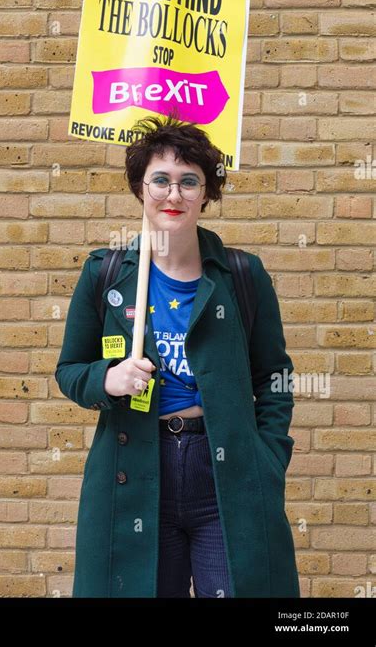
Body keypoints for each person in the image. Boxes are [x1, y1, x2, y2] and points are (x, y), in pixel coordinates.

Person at [55, 113, 300, 598]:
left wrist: (267, 458)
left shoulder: (242, 275)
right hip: (137, 473)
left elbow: (274, 376)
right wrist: (108, 379)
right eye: (160, 180)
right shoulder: (105, 274)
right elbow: (69, 372)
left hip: (224, 474)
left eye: (190, 181)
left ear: (206, 193)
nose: (174, 194)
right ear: (140, 188)